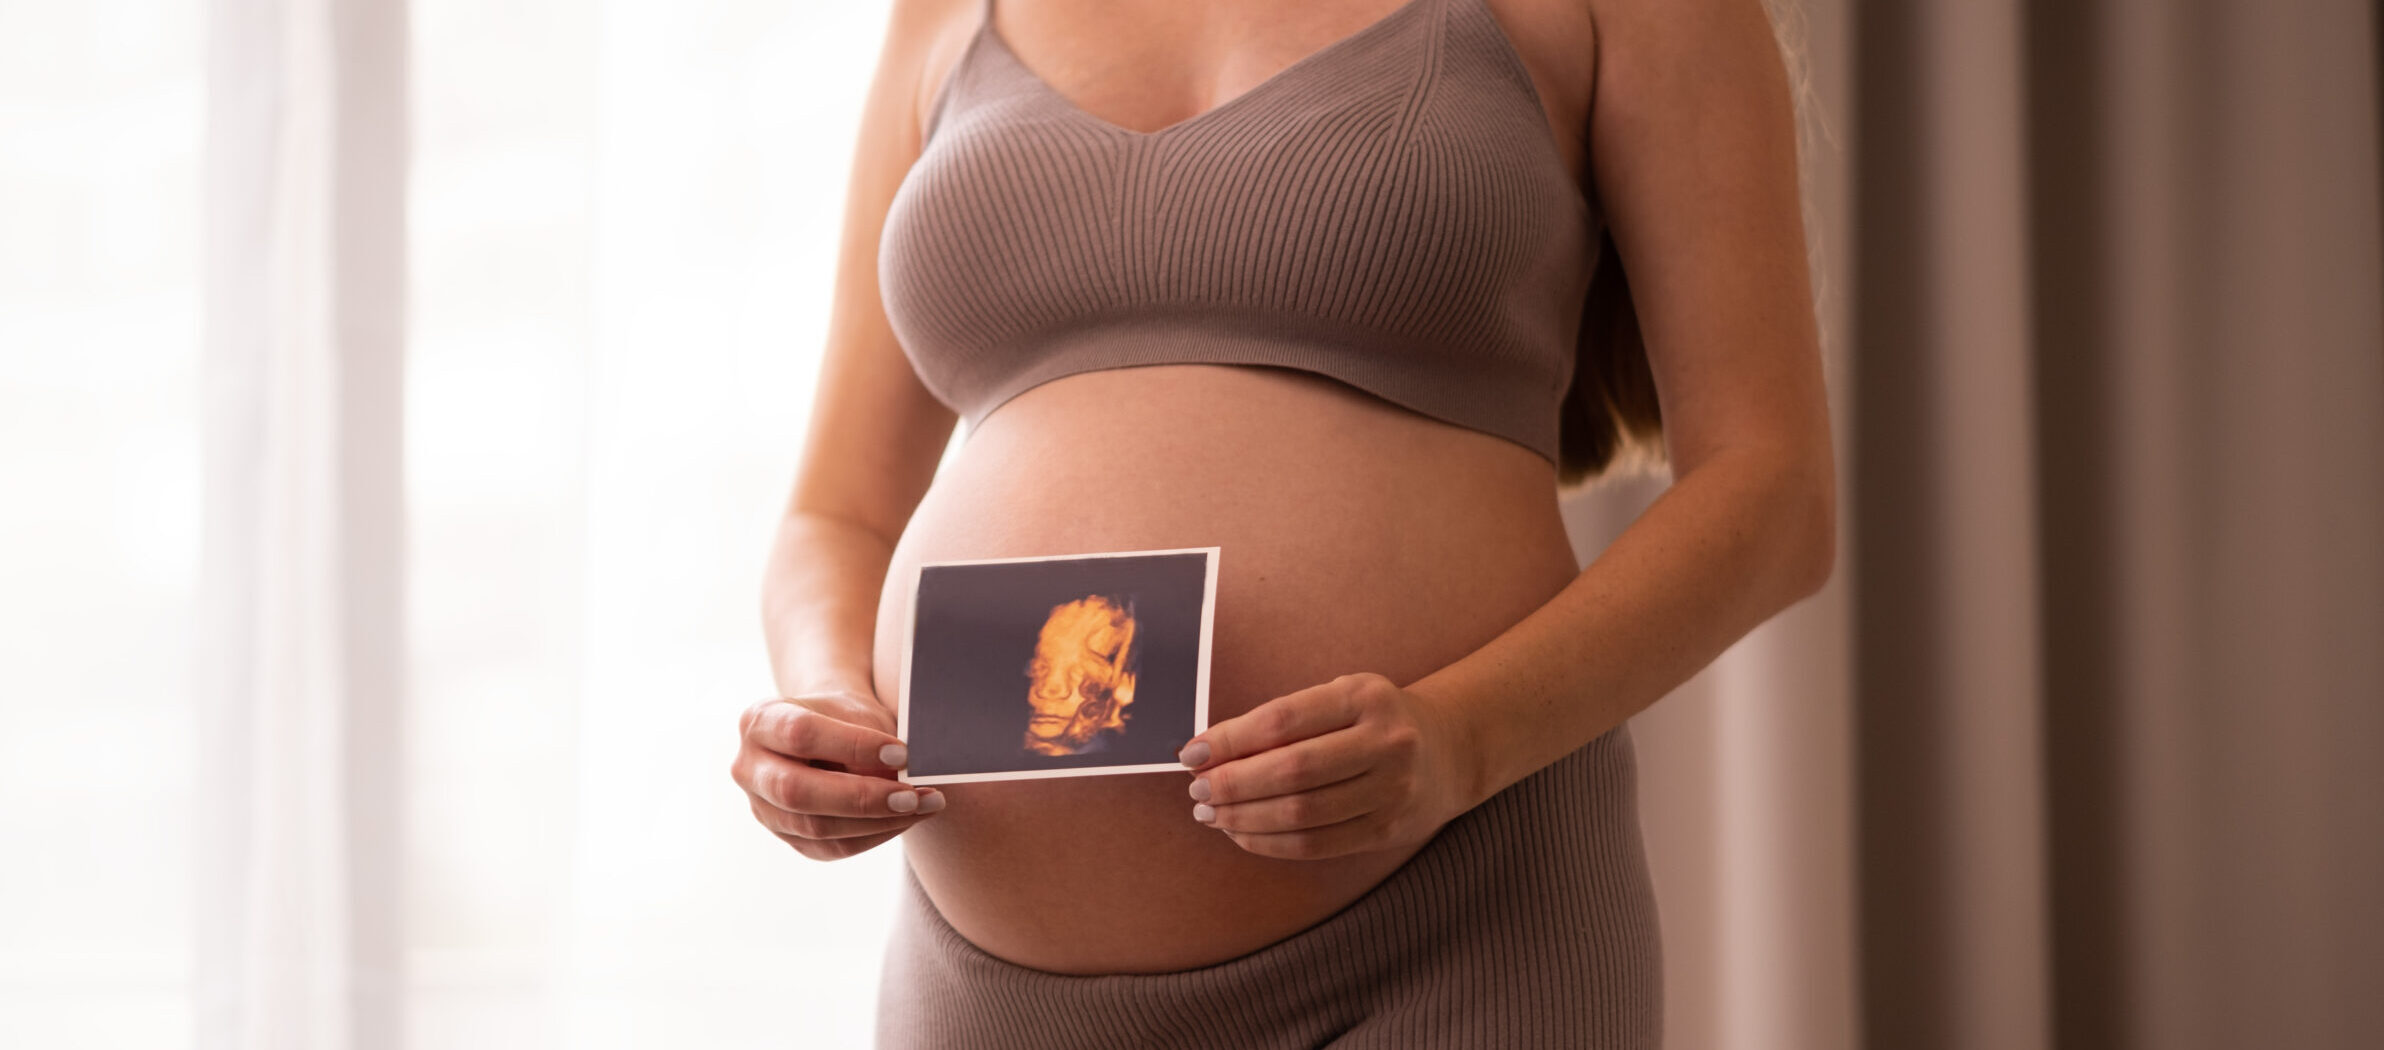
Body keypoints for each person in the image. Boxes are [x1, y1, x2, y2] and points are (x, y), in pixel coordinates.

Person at [734, 0, 1833, 1043]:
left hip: (1450, 932)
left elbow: (1772, 490)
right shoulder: (947, 17)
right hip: (979, 980)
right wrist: (824, 701)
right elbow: (837, 509)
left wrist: (1460, 741)